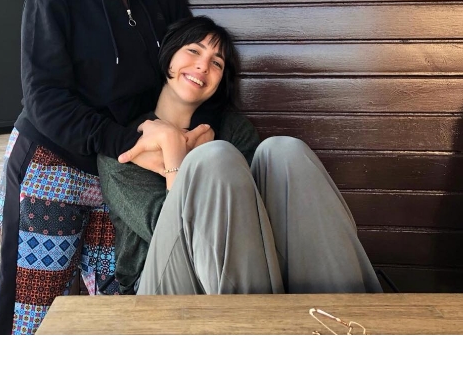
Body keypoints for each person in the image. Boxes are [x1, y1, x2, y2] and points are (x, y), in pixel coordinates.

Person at [0, 0, 213, 335]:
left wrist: (193, 133)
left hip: (122, 171)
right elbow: (46, 100)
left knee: (110, 314)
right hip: (54, 166)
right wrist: (129, 141)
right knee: (34, 314)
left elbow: (185, 73)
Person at [98, 15, 383, 296]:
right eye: (194, 51)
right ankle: (252, 320)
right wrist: (175, 151)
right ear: (168, 57)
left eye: (217, 63)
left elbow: (253, 221)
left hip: (246, 273)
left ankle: (348, 307)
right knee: (215, 157)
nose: (203, 66)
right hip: (158, 286)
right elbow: (170, 232)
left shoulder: (233, 129)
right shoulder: (123, 145)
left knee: (285, 150)